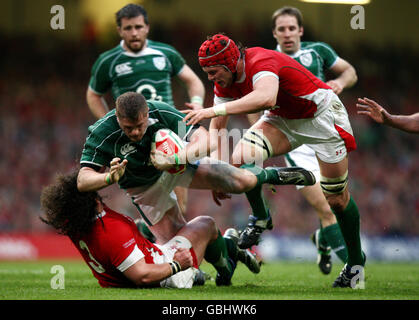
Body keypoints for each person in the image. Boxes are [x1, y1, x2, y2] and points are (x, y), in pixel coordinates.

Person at [183, 33, 366, 288]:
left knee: (336, 199)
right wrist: (217, 172)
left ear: (230, 63)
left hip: (321, 116)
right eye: (207, 73)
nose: (211, 78)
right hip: (282, 119)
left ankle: (356, 263)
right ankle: (261, 217)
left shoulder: (260, 60)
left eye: (214, 72)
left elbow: (266, 98)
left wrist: (213, 109)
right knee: (238, 159)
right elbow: (217, 128)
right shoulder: (224, 81)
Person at [77, 92, 315, 247]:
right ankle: (228, 255)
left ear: (146, 114)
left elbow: (208, 140)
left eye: (139, 126)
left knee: (241, 182)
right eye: (129, 128)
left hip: (177, 168)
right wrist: (109, 177)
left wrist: (176, 158)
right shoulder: (102, 133)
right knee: (182, 246)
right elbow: (82, 180)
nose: (136, 132)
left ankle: (270, 174)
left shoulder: (160, 111)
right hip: (144, 188)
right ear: (118, 119)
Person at [258, 6, 357, 275]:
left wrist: (339, 83)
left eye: (292, 28)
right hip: (295, 143)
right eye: (282, 29)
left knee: (337, 202)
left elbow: (350, 71)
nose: (287, 33)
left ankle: (323, 239)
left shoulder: (318, 52)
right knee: (327, 208)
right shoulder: (267, 60)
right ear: (274, 32)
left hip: (324, 134)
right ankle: (354, 271)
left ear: (300, 30)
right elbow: (257, 102)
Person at [40, 171, 261, 288]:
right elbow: (141, 276)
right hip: (164, 275)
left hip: (119, 273)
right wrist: (177, 265)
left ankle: (222, 256)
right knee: (205, 224)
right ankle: (227, 265)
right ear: (90, 198)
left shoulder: (75, 225)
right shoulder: (111, 230)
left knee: (141, 227)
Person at [86, 3, 205, 216]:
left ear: (147, 27)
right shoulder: (108, 61)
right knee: (153, 203)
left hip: (166, 132)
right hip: (135, 137)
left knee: (180, 205)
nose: (134, 32)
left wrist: (197, 102)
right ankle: (149, 233)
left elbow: (193, 81)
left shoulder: (165, 52)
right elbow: (93, 95)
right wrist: (110, 120)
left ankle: (154, 237)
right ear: (119, 31)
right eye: (128, 28)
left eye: (138, 27)